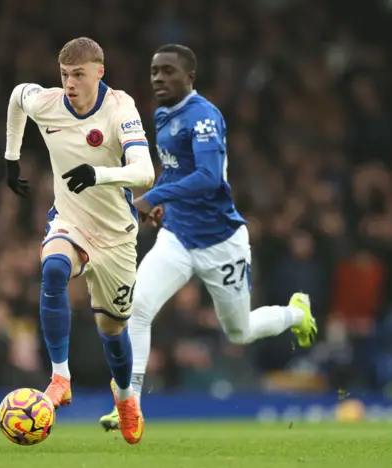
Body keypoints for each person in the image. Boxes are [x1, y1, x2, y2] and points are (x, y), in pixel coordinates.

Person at [99, 44, 317, 431]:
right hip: (178, 238)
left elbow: (209, 176)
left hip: (221, 243)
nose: (159, 78)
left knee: (239, 330)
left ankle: (297, 313)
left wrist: (154, 196)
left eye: (168, 71)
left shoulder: (204, 117)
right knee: (137, 309)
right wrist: (163, 200)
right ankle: (128, 404)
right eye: (154, 71)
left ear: (190, 78)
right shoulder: (164, 116)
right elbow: (174, 169)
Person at [5, 37, 154, 444]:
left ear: (99, 72)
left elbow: (145, 172)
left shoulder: (120, 108)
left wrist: (100, 174)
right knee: (53, 269)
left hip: (117, 236)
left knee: (112, 333)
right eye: (65, 75)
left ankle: (124, 398)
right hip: (71, 221)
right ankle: (60, 378)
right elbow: (19, 97)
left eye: (79, 75)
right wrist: (11, 157)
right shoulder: (49, 103)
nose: (70, 83)